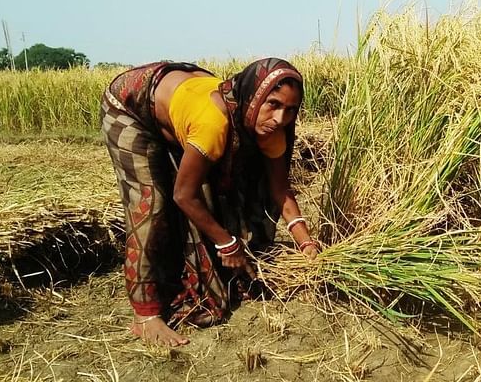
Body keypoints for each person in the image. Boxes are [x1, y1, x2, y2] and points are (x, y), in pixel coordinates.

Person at [100, 58, 319, 347]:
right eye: (273, 105)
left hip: (186, 100)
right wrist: (227, 243)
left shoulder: (274, 125)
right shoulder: (213, 122)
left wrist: (306, 244)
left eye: (290, 109)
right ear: (253, 98)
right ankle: (146, 315)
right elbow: (183, 195)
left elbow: (279, 188)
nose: (280, 118)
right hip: (132, 107)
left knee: (225, 189)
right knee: (153, 203)